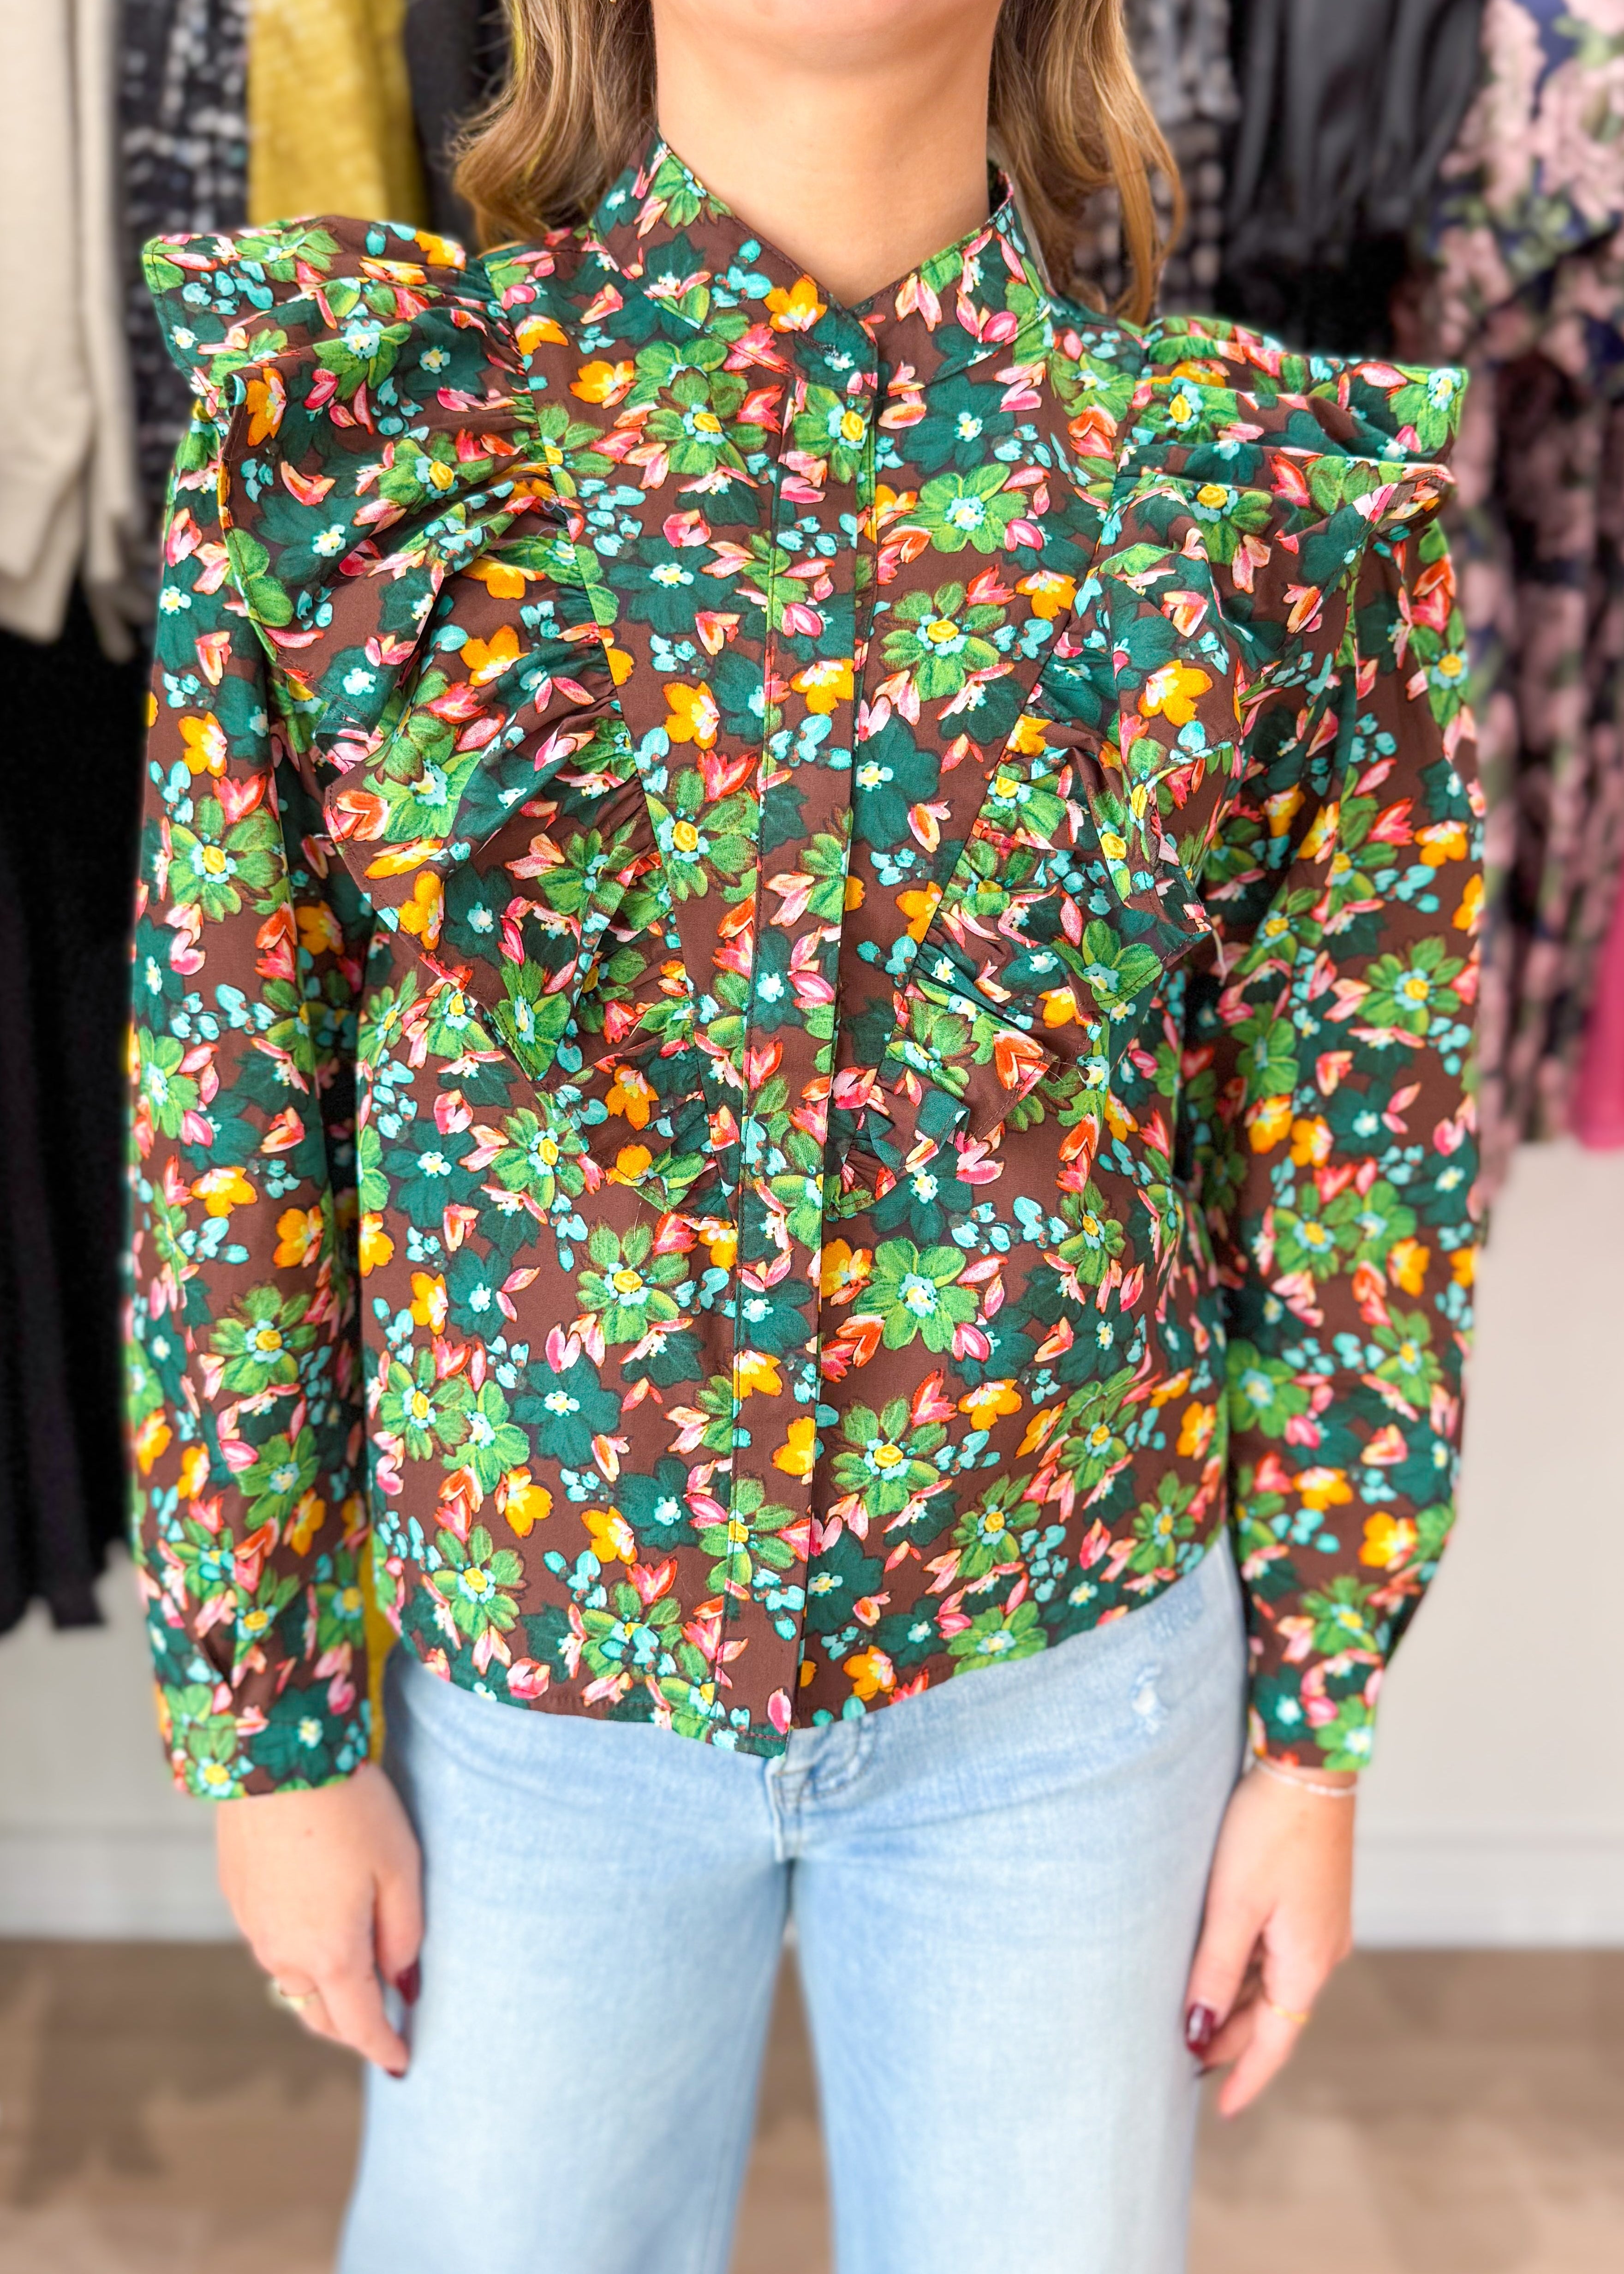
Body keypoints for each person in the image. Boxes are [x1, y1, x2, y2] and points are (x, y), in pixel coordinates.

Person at [125, 2, 1483, 2267]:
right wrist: (268, 1725)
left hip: (1069, 1682)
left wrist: (1314, 1734)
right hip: (526, 1698)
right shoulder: (356, 437)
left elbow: (1358, 1145)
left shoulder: (1265, 500)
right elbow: (231, 1091)